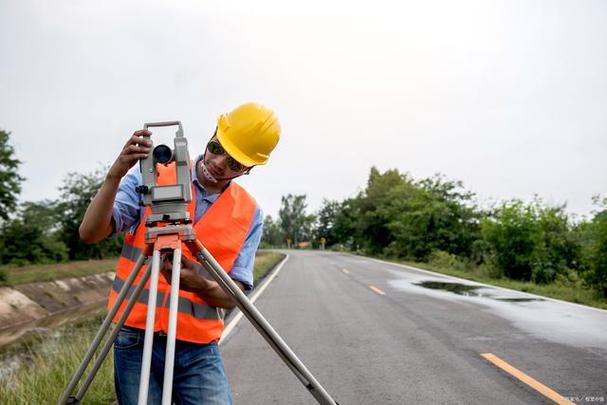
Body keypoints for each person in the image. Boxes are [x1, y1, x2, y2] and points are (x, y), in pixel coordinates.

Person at [79, 102, 281, 404]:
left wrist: (199, 284)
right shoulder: (153, 174)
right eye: (217, 148)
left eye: (235, 164)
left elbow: (235, 296)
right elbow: (90, 233)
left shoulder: (250, 213)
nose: (219, 163)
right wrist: (114, 177)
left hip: (198, 347)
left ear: (249, 169)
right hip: (135, 337)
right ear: (212, 135)